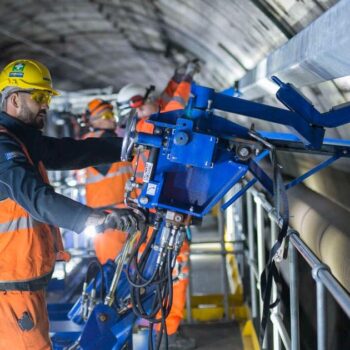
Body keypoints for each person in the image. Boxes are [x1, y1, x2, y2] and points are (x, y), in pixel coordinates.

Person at [0, 59, 141, 350]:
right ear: (14, 99)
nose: (45, 106)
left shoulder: (22, 141)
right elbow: (38, 199)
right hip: (9, 296)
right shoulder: (4, 149)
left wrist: (129, 145)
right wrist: (98, 219)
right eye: (38, 97)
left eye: (47, 98)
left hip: (21, 290)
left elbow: (71, 152)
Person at [116, 59, 200, 350]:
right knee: (170, 275)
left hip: (154, 215)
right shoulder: (152, 123)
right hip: (162, 216)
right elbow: (175, 105)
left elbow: (164, 99)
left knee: (153, 273)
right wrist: (186, 79)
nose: (143, 108)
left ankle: (157, 332)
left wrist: (178, 77)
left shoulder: (147, 122)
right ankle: (166, 334)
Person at [83, 98, 134, 264]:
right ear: (92, 121)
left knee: (112, 269)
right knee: (119, 271)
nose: (112, 119)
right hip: (113, 217)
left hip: (110, 217)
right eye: (105, 116)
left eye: (111, 114)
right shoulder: (101, 142)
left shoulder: (112, 140)